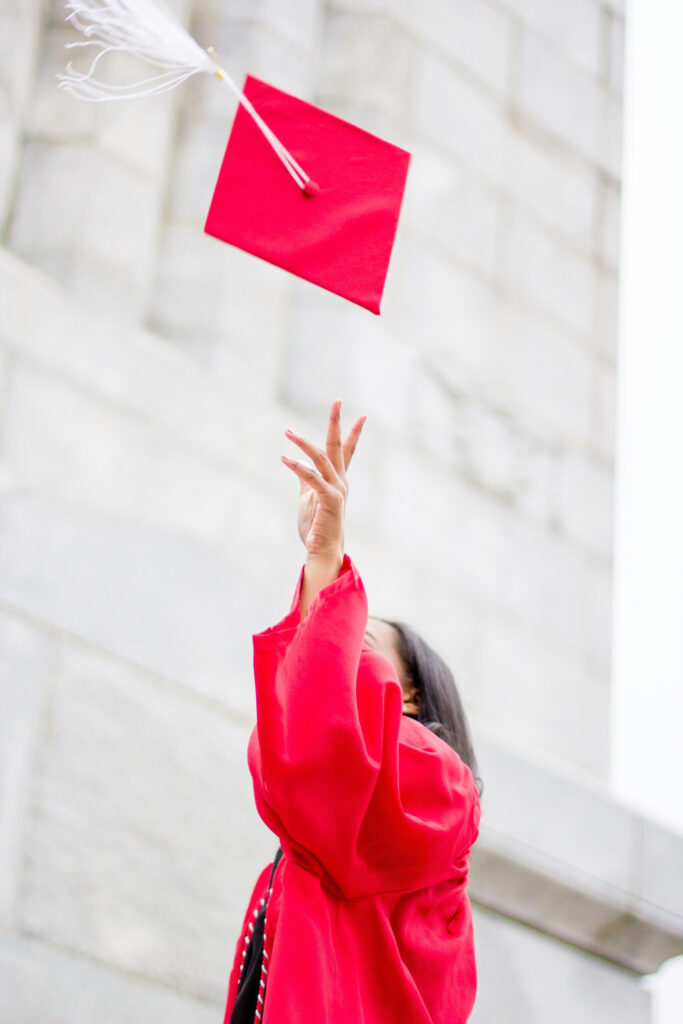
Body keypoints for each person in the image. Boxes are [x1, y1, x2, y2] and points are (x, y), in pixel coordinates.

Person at [223, 399, 482, 1024]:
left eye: (356, 641)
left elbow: (323, 747)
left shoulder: (440, 794)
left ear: (412, 696)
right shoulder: (311, 845)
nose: (328, 646)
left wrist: (325, 563)